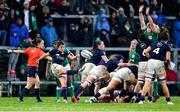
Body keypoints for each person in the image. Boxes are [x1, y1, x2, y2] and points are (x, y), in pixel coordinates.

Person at [8, 37, 48, 102]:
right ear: (38, 44)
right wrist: (58, 60)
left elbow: (21, 51)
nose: (43, 45)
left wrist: (12, 51)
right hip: (32, 68)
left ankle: (38, 99)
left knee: (37, 82)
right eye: (42, 43)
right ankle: (21, 98)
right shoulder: (39, 51)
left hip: (31, 68)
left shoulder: (30, 49)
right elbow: (48, 57)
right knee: (29, 84)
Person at [138, 32, 173, 105]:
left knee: (147, 82)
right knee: (163, 83)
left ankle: (141, 100)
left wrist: (149, 57)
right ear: (166, 38)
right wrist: (169, 64)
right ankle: (168, 100)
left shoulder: (153, 43)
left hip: (150, 62)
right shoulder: (166, 46)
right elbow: (168, 58)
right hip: (159, 62)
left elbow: (145, 51)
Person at [139, 5, 160, 100]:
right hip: (148, 56)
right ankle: (152, 95)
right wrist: (140, 13)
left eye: (150, 26)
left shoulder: (155, 33)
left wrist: (147, 15)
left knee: (154, 76)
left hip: (155, 55)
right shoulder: (147, 33)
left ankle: (154, 93)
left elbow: (151, 23)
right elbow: (142, 23)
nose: (149, 27)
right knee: (151, 77)